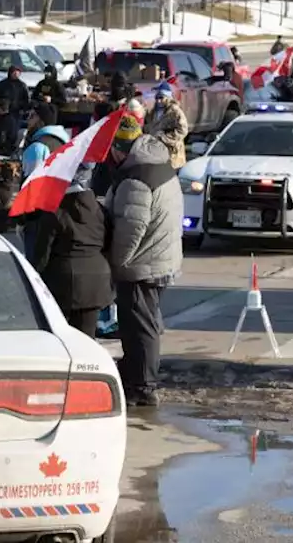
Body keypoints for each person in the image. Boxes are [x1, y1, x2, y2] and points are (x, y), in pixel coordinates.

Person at [105, 116, 184, 408]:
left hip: (142, 265)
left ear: (119, 149)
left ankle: (144, 386)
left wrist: (116, 264)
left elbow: (131, 228)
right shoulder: (157, 163)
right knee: (144, 322)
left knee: (141, 327)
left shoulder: (135, 180)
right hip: (161, 258)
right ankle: (137, 373)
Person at [31, 163, 111, 337]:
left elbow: (42, 253)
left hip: (61, 280)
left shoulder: (54, 212)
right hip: (96, 280)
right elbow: (109, 244)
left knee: (60, 336)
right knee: (87, 338)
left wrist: (33, 276)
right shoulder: (101, 210)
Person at [19, 103, 71, 257]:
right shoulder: (64, 143)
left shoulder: (37, 147)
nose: (28, 121)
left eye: (31, 116)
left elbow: (31, 186)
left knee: (33, 258)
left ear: (40, 120)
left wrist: (24, 217)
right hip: (60, 210)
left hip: (37, 215)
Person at [145, 86, 190, 170]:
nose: (158, 100)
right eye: (157, 97)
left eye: (161, 97)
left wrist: (164, 137)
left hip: (172, 153)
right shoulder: (153, 112)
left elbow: (182, 130)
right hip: (156, 151)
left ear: (168, 97)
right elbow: (149, 126)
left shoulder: (175, 111)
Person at [0, 66, 30, 154]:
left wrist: (21, 108)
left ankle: (10, 149)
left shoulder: (22, 85)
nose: (16, 74)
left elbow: (26, 101)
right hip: (3, 114)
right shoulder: (2, 84)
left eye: (18, 72)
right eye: (14, 72)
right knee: (1, 132)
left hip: (16, 114)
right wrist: (1, 104)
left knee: (13, 134)